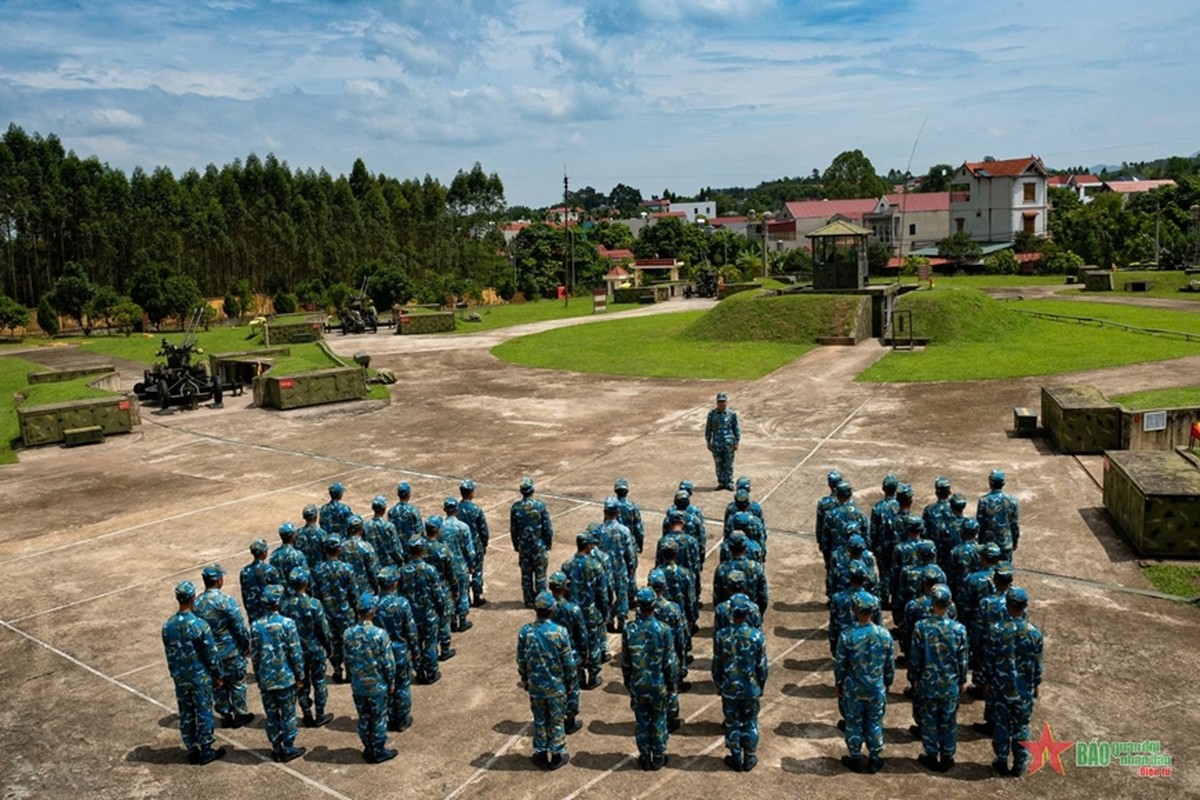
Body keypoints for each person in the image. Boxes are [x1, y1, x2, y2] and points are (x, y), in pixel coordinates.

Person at [161, 580, 226, 764]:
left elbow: (169, 653)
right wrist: (219, 675)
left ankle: (192, 748)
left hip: (181, 677)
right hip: (200, 677)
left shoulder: (168, 626)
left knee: (186, 713)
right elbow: (211, 654)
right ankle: (206, 750)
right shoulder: (200, 625)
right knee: (203, 711)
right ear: (193, 598)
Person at [981, 588, 1043, 777]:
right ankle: (1019, 763)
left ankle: (1000, 760)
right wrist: (1036, 684)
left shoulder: (996, 631)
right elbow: (1037, 664)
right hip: (1024, 690)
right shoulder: (1035, 634)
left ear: (1007, 606)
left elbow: (989, 659)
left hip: (1001, 687)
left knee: (1002, 724)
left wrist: (988, 681)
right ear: (1025, 606)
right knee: (1021, 726)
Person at [909, 584, 968, 773]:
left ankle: (931, 754)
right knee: (949, 720)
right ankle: (948, 755)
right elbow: (963, 660)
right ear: (949, 602)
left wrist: (915, 678)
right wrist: (962, 681)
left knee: (929, 720)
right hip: (950, 684)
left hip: (928, 683)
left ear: (932, 602)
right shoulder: (959, 629)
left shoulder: (922, 627)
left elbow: (915, 657)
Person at [517, 590, 578, 770]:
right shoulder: (560, 632)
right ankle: (557, 755)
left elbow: (521, 660)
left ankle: (541, 753)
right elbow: (568, 662)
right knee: (556, 720)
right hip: (556, 687)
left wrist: (525, 680)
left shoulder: (526, 632)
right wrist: (570, 682)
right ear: (552, 609)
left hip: (536, 687)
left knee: (540, 720)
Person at [835, 592, 894, 774]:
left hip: (854, 688)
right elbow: (889, 666)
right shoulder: (884, 635)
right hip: (876, 687)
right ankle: (874, 758)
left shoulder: (847, 636)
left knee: (853, 722)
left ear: (855, 610)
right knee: (875, 721)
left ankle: (855, 757)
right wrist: (888, 683)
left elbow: (841, 665)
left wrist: (839, 684)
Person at [622, 587, 678, 771]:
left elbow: (626, 663)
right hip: (658, 684)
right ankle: (659, 756)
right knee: (659, 719)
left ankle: (645, 756)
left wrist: (628, 682)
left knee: (642, 721)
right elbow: (669, 662)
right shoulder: (663, 630)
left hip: (638, 684)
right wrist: (671, 684)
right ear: (654, 605)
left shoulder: (629, 629)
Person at [193, 563, 254, 729]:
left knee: (218, 684)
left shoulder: (196, 604)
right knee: (237, 682)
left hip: (210, 652)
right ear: (218, 581)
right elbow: (238, 625)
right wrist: (246, 643)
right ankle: (240, 713)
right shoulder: (225, 601)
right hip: (230, 650)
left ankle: (225, 714)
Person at [712, 595, 769, 772]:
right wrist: (761, 685)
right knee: (750, 721)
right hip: (751, 688)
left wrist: (719, 684)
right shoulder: (757, 636)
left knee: (732, 722)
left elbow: (717, 664)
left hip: (730, 688)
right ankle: (750, 757)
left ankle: (736, 757)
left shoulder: (722, 635)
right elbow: (762, 666)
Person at [250, 585, 306, 763]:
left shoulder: (256, 626)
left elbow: (256, 655)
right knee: (288, 714)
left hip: (267, 679)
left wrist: (258, 677)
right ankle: (288, 747)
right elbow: (295, 653)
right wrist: (300, 676)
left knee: (272, 716)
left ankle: (276, 747)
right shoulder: (287, 624)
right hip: (285, 679)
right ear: (278, 602)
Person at [344, 593, 398, 764]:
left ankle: (368, 747)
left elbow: (347, 659)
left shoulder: (348, 634)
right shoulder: (379, 635)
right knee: (379, 718)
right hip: (376, 685)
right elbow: (388, 663)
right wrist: (391, 683)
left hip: (358, 685)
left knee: (364, 717)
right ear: (373, 610)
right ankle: (379, 750)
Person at [279, 567, 333, 728]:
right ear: (306, 582)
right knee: (319, 681)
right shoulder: (314, 604)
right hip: (315, 650)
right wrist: (329, 648)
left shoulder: (285, 605)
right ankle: (320, 713)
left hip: (296, 652)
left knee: (301, 682)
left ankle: (307, 713)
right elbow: (323, 630)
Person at [561, 531, 609, 689]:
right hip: (591, 612)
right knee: (593, 643)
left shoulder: (567, 565)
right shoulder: (595, 566)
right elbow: (602, 592)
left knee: (575, 642)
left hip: (573, 612)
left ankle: (580, 676)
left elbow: (564, 590)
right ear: (588, 546)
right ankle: (593, 677)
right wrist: (605, 611)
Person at [375, 566, 418, 733]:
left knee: (385, 686)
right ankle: (401, 719)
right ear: (394, 583)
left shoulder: (373, 604)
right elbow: (410, 630)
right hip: (399, 651)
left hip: (380, 653)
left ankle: (388, 716)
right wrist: (415, 650)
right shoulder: (401, 603)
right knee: (402, 686)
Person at [399, 536, 447, 685]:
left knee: (415, 645)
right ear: (422, 550)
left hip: (411, 616)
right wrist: (442, 611)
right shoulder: (429, 570)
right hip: (428, 614)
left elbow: (400, 594)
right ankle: (431, 672)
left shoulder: (402, 571)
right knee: (430, 643)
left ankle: (419, 672)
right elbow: (438, 594)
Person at [548, 571, 588, 735]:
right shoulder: (572, 609)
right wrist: (585, 655)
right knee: (572, 688)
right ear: (565, 587)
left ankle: (554, 718)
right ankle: (569, 721)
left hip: (551, 656)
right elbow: (581, 635)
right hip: (571, 654)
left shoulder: (546, 607)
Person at [313, 535, 357, 684]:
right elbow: (353, 593)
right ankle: (350, 672)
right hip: (345, 612)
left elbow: (316, 594)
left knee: (333, 643)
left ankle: (337, 670)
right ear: (339, 549)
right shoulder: (347, 569)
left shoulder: (318, 570)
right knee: (348, 642)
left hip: (327, 612)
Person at [510, 477, 554, 607]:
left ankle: (528, 600)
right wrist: (548, 543)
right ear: (532, 490)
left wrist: (516, 545)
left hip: (524, 546)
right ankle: (541, 601)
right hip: (539, 546)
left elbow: (513, 529)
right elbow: (547, 527)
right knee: (540, 575)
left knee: (526, 575)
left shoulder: (516, 507)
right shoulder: (540, 506)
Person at [421, 516, 458, 662]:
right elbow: (451, 573)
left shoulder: (420, 548)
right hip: (443, 589)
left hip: (425, 590)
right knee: (444, 619)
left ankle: (431, 648)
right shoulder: (443, 550)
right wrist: (456, 589)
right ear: (436, 531)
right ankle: (445, 649)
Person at [440, 497, 476, 632]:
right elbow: (470, 550)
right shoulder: (463, 527)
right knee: (463, 593)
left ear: (445, 510)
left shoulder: (439, 527)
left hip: (446, 568)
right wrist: (472, 565)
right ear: (456, 510)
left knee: (449, 594)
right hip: (461, 567)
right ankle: (463, 620)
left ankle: (452, 621)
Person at [457, 479, 490, 607]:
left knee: (464, 570)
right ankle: (476, 596)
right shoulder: (476, 510)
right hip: (476, 544)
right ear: (471, 493)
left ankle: (466, 597)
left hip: (461, 545)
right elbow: (483, 529)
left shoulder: (456, 509)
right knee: (477, 570)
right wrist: (485, 543)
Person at [977, 469, 1020, 563]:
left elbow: (980, 525)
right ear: (1003, 483)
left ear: (990, 483)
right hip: (1005, 543)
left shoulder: (984, 501)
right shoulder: (1012, 501)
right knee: (1004, 572)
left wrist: (979, 543)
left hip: (989, 545)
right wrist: (1015, 541)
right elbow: (1014, 524)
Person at [705, 392, 741, 490]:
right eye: (719, 401)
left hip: (729, 443)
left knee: (728, 464)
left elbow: (736, 428)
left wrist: (737, 441)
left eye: (723, 401)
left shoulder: (732, 414)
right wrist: (708, 442)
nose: (721, 403)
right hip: (717, 444)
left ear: (726, 402)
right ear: (717, 402)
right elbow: (708, 429)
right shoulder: (712, 414)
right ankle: (721, 482)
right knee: (719, 465)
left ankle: (729, 482)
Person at [240, 538, 281, 623]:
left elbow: (244, 594)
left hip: (253, 614)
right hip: (270, 614)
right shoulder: (270, 570)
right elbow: (278, 592)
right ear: (264, 553)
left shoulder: (244, 571)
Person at [341, 516, 380, 597]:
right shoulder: (366, 547)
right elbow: (373, 571)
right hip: (365, 592)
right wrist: (377, 589)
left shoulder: (341, 547)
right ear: (361, 529)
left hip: (347, 592)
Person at [364, 495, 404, 569]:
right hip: (388, 566)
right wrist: (401, 561)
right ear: (384, 509)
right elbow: (395, 549)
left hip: (373, 565)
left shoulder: (366, 526)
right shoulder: (389, 526)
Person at [816, 469, 843, 569]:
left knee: (831, 570)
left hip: (829, 543)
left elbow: (819, 525)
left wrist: (820, 542)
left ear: (829, 484)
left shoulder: (824, 503)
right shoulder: (846, 501)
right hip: (843, 542)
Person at [613, 477, 646, 556]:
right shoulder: (632, 506)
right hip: (630, 543)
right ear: (627, 491)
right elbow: (639, 529)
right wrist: (640, 545)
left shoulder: (611, 505)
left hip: (615, 543)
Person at [295, 504, 326, 569]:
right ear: (315, 517)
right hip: (319, 570)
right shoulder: (322, 533)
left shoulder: (297, 533)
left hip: (303, 571)